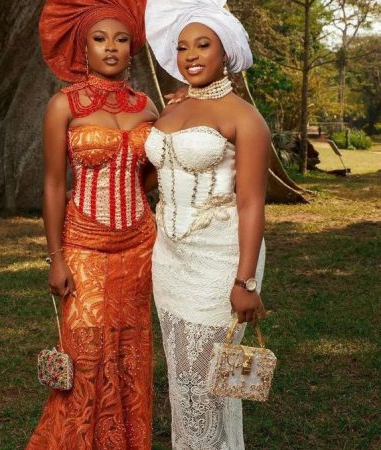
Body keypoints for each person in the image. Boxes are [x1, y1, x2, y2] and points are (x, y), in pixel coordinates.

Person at [26, 0, 158, 448]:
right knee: (84, 355)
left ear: (132, 48)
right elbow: (52, 184)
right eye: (100, 39)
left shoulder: (147, 106)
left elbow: (153, 170)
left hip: (140, 245)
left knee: (131, 354)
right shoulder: (63, 105)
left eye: (121, 39)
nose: (111, 47)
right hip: (82, 245)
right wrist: (56, 258)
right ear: (84, 47)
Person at [145, 0, 270, 448]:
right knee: (182, 382)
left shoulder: (245, 118)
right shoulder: (171, 109)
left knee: (208, 387)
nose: (191, 55)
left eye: (203, 45)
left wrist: (245, 282)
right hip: (168, 261)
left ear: (225, 53)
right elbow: (156, 172)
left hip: (220, 263)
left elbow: (252, 203)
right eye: (182, 47)